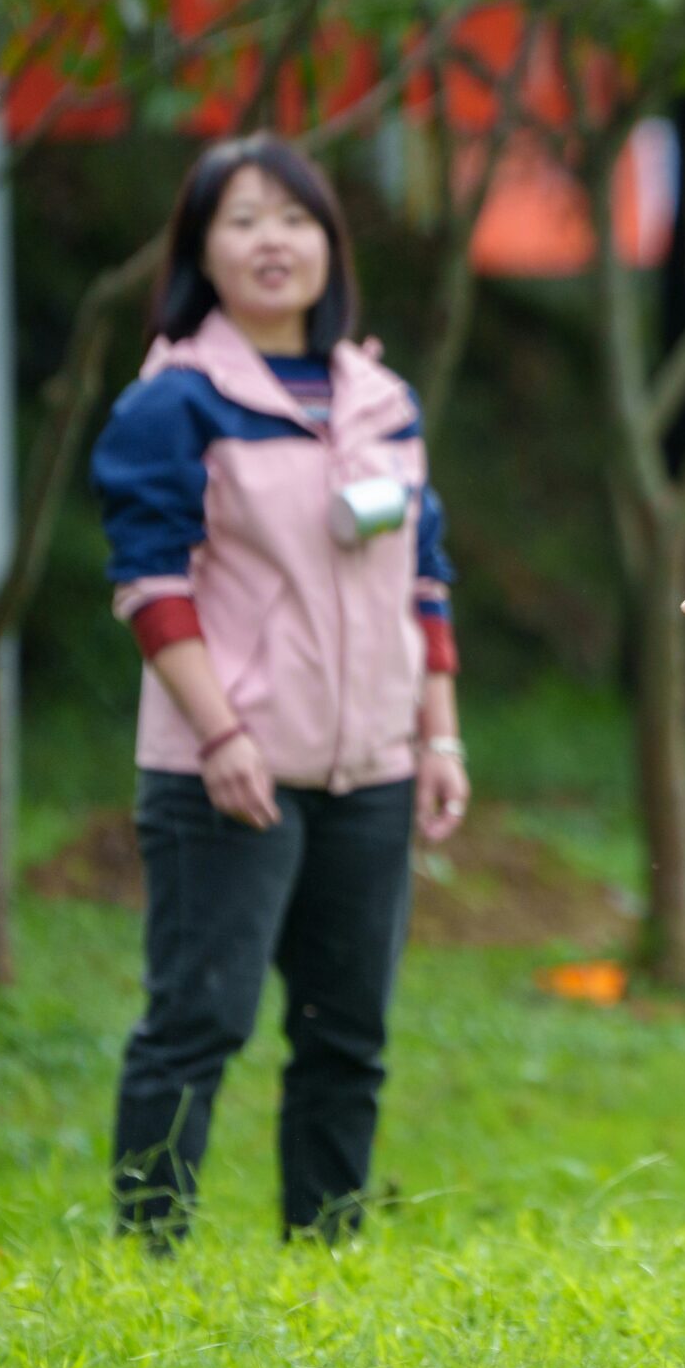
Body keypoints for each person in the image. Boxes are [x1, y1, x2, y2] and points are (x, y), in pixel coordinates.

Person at [90, 134, 470, 1246]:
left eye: (294, 218)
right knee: (198, 1019)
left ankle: (326, 1253)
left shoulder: (380, 401)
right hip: (231, 766)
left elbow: (424, 579)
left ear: (328, 246)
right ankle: (147, 1253)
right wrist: (220, 736)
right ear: (201, 249)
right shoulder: (174, 402)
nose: (272, 241)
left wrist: (436, 741)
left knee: (348, 1030)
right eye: (243, 219)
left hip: (374, 767)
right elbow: (150, 587)